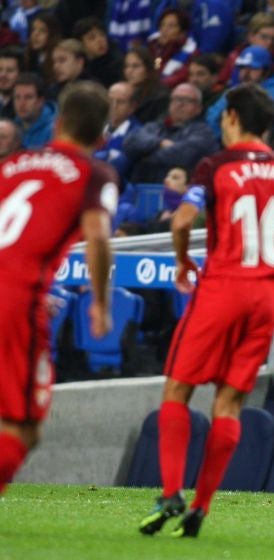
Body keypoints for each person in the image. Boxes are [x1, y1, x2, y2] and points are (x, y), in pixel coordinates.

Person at [138, 83, 274, 538]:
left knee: (178, 387)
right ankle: (201, 506)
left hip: (224, 285)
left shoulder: (214, 166)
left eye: (223, 118)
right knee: (230, 400)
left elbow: (182, 219)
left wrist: (184, 260)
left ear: (234, 117)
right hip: (268, 295)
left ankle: (170, 492)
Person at [0, 81, 117, 495]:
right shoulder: (94, 173)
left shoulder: (13, 163)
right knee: (24, 426)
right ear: (102, 136)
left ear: (59, 122)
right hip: (15, 302)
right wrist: (101, 303)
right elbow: (98, 238)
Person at [123, 83, 217, 184]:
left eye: (187, 100)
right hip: (142, 188)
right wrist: (159, 143)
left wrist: (143, 156)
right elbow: (129, 142)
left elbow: (182, 157)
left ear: (198, 108)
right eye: (176, 99)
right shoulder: (154, 127)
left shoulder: (204, 132)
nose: (180, 104)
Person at [94, 81, 141, 179]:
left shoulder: (137, 134)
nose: (114, 106)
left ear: (132, 107)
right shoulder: (95, 127)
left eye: (120, 102)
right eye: (110, 101)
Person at [71, 16, 123, 88]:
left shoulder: (117, 63)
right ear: (81, 43)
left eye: (102, 34)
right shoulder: (80, 65)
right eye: (92, 38)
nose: (100, 40)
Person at [12, 72, 55, 149]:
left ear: (40, 101)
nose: (22, 103)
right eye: (17, 97)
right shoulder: (12, 128)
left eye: (28, 97)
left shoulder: (54, 130)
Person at [0, 47, 22, 119]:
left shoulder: (26, 106)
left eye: (9, 70)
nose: (3, 75)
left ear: (20, 74)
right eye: (0, 70)